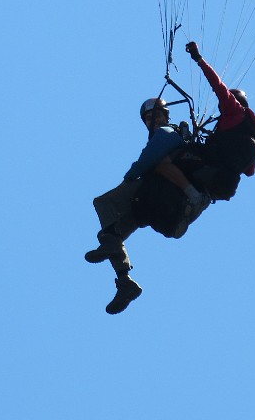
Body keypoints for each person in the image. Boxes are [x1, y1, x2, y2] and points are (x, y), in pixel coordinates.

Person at [85, 98, 210, 315]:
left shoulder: (167, 133)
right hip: (150, 199)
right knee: (110, 233)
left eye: (156, 115)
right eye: (148, 118)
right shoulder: (166, 135)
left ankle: (114, 252)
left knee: (103, 203)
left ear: (166, 115)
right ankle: (125, 282)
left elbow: (147, 160)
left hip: (150, 185)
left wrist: (130, 176)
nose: (152, 120)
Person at [185, 42, 255, 200]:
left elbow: (218, 86)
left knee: (180, 154)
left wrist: (199, 59)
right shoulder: (249, 130)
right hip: (223, 182)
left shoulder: (233, 110)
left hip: (212, 168)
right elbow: (250, 172)